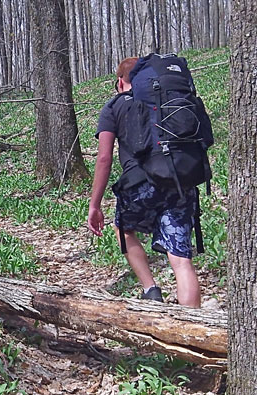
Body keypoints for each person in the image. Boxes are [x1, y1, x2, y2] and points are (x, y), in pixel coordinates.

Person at [86, 57, 201, 308]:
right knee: (181, 260)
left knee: (123, 229)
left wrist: (94, 204)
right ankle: (195, 325)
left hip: (140, 185)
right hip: (179, 179)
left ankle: (150, 289)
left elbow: (104, 158)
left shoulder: (114, 107)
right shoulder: (163, 99)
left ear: (119, 81)